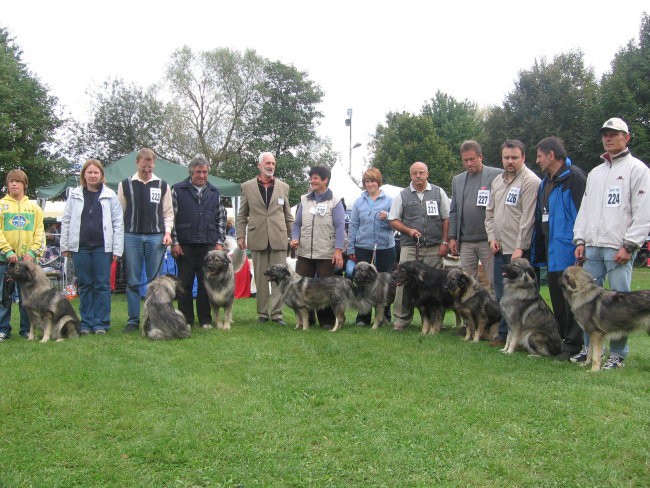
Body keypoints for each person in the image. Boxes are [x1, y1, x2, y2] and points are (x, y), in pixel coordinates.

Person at [572, 117, 650, 369]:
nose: (608, 138)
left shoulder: (637, 170)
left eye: (614, 134)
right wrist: (580, 239)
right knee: (585, 302)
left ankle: (618, 354)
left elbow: (644, 212)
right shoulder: (595, 173)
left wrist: (630, 244)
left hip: (619, 248)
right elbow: (585, 209)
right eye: (605, 134)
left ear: (626, 138)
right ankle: (589, 350)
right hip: (592, 247)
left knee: (622, 306)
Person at [530, 137, 586, 360]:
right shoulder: (545, 182)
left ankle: (575, 344)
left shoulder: (575, 178)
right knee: (557, 298)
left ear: (551, 155)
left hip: (569, 250)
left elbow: (583, 213)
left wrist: (581, 245)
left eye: (539, 155)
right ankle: (565, 340)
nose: (537, 160)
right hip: (551, 251)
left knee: (572, 299)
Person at [485, 140, 541, 346]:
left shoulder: (530, 181)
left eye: (514, 157)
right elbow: (489, 213)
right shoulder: (497, 181)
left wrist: (520, 247)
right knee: (501, 294)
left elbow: (528, 218)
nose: (510, 161)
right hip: (499, 247)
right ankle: (504, 335)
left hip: (519, 251)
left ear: (523, 158)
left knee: (522, 297)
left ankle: (525, 337)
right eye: (506, 157)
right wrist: (491, 237)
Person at [60, 159, 124, 335]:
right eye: (89, 172)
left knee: (102, 285)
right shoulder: (74, 195)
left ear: (101, 175)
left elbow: (118, 223)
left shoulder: (111, 195)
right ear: (84, 175)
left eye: (96, 172)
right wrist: (65, 245)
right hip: (80, 248)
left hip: (103, 248)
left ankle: (101, 323)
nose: (93, 175)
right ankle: (87, 323)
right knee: (85, 285)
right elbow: (66, 221)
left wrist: (117, 249)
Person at [388, 161, 450, 331]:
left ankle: (436, 321)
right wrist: (408, 230)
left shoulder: (439, 192)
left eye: (421, 172)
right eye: (415, 173)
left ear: (427, 174)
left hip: (434, 246)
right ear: (411, 175)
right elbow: (393, 219)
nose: (418, 176)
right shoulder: (402, 195)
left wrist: (445, 242)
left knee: (436, 286)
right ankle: (401, 320)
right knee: (403, 283)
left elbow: (446, 217)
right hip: (410, 247)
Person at [118, 148, 174, 333]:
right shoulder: (125, 185)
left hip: (156, 237)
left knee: (155, 282)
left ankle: (154, 318)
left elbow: (167, 213)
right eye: (144, 166)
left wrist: (167, 233)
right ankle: (133, 320)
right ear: (137, 163)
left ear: (153, 164)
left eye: (150, 166)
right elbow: (120, 215)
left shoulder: (162, 185)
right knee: (133, 281)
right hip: (131, 236)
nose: (147, 169)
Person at [237, 152, 293, 324]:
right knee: (260, 278)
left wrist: (294, 236)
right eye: (268, 163)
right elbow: (242, 215)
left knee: (280, 277)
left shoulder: (284, 187)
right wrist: (240, 236)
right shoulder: (247, 186)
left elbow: (288, 215)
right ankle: (262, 313)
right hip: (257, 236)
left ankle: (277, 314)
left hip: (279, 237)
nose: (271, 166)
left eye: (273, 164)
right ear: (259, 165)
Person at [171, 155, 227, 328]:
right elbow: (170, 217)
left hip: (208, 245)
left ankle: (205, 320)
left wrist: (219, 242)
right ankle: (186, 320)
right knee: (184, 284)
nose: (201, 175)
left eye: (204, 172)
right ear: (191, 173)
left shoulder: (215, 191)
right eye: (198, 172)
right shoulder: (178, 189)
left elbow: (221, 218)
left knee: (206, 284)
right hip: (185, 244)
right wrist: (175, 241)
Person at [290, 166, 345, 328]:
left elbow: (340, 227)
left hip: (326, 253)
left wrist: (338, 250)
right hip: (305, 251)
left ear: (325, 180)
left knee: (325, 289)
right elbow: (297, 224)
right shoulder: (304, 200)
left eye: (315, 178)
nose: (312, 181)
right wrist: (295, 238)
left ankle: (327, 321)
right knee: (301, 288)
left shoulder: (335, 201)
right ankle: (307, 319)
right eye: (311, 178)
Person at [448, 140, 503, 287]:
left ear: (480, 157)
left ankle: (497, 310)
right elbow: (453, 210)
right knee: (467, 285)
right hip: (465, 242)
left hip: (489, 239)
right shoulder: (457, 180)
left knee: (495, 282)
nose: (469, 163)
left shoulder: (497, 175)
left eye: (472, 159)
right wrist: (452, 237)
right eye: (465, 160)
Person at [347, 168, 396, 326]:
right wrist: (351, 249)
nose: (370, 184)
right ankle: (363, 317)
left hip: (385, 248)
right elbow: (353, 225)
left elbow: (396, 222)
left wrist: (388, 217)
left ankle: (384, 317)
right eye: (367, 181)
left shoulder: (389, 200)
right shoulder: (359, 201)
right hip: (363, 247)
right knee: (363, 283)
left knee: (385, 283)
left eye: (373, 181)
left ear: (378, 182)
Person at [0, 169, 44, 341]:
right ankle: (3, 329)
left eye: (18, 181)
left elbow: (39, 232)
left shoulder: (34, 208)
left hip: (27, 262)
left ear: (25, 185)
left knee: (27, 296)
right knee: (4, 295)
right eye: (11, 181)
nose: (14, 184)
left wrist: (32, 252)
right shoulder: (2, 206)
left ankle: (27, 329)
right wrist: (7, 250)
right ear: (7, 184)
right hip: (5, 259)